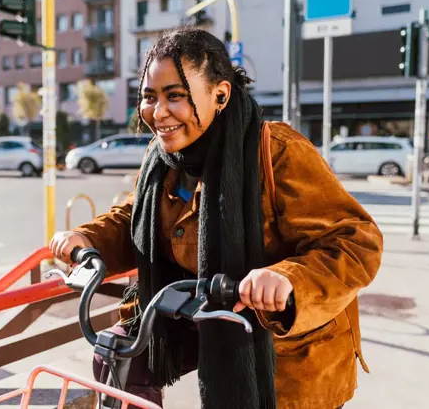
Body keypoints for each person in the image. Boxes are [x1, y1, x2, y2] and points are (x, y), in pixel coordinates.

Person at [49, 27, 382, 409]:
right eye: (148, 97)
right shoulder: (162, 160)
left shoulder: (276, 152)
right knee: (122, 354)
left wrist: (288, 280)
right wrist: (87, 239)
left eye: (175, 96)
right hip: (201, 319)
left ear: (220, 95)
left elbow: (357, 242)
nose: (158, 113)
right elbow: (134, 219)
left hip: (286, 355)